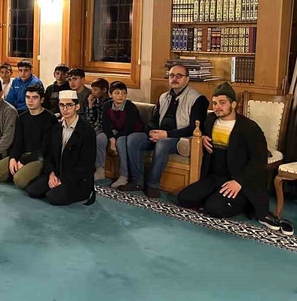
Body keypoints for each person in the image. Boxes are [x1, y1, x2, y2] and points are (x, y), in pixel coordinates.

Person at [177, 83, 280, 229]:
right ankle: (218, 197)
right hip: (214, 177)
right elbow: (203, 133)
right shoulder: (210, 119)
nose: (217, 107)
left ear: (233, 104)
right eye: (214, 103)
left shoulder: (249, 127)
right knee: (184, 198)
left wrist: (239, 182)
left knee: (213, 208)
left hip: (238, 180)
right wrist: (204, 137)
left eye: (222, 103)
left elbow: (258, 160)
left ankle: (244, 202)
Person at [120, 65, 209, 198]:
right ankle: (137, 181)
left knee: (163, 143)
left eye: (179, 76)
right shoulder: (163, 97)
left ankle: (152, 185)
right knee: (133, 138)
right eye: (171, 75)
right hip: (161, 134)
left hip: (182, 138)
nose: (174, 78)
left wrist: (166, 135)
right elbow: (154, 120)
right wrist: (152, 132)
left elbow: (194, 128)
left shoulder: (198, 99)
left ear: (187, 79)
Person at [26, 90, 97, 205]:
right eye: (62, 105)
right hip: (57, 173)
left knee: (53, 197)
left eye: (69, 105)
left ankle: (85, 194)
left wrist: (63, 180)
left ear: (77, 106)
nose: (65, 109)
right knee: (32, 190)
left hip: (77, 179)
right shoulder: (56, 129)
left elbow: (86, 164)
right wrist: (51, 174)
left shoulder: (87, 132)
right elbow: (49, 155)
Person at [0, 85, 57, 190]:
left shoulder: (50, 118)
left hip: (40, 158)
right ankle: (19, 173)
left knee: (19, 180)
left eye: (35, 97)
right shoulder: (22, 117)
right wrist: (13, 158)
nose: (30, 101)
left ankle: (28, 176)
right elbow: (18, 142)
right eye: (27, 97)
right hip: (23, 155)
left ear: (42, 100)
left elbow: (46, 148)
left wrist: (23, 161)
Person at [102, 81, 146, 189]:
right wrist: (112, 139)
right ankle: (99, 169)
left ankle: (123, 176)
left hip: (132, 133)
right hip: (117, 131)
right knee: (100, 137)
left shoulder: (131, 107)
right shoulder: (107, 105)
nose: (121, 96)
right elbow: (105, 125)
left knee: (121, 140)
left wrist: (115, 140)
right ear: (110, 94)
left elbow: (128, 128)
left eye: (123, 93)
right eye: (117, 93)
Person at [86, 78, 110, 181]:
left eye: (95, 90)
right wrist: (90, 105)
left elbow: (106, 123)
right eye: (92, 89)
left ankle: (99, 169)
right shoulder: (96, 101)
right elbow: (90, 120)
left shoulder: (109, 103)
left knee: (96, 138)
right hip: (96, 128)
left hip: (106, 129)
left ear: (104, 90)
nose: (92, 92)